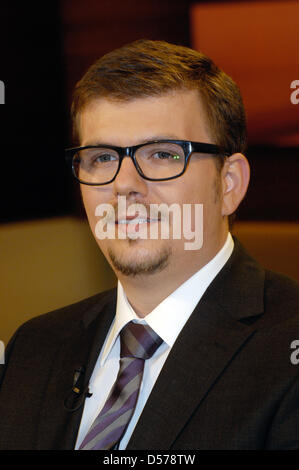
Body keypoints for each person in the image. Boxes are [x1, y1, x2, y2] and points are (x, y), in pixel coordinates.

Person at [0, 39, 299, 451]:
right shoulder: (33, 347)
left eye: (162, 154)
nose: (124, 185)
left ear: (229, 184)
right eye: (102, 158)